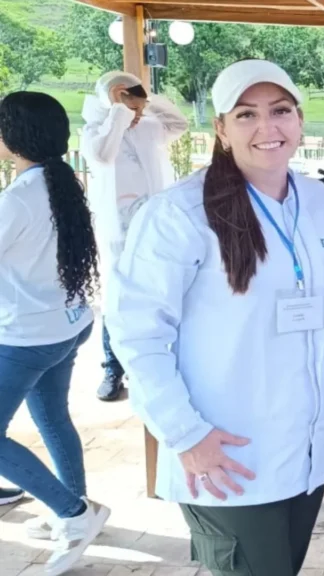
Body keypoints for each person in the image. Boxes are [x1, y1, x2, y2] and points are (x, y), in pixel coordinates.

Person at [104, 59, 324, 576]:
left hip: (304, 454)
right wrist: (185, 435)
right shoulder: (179, 214)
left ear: (300, 120)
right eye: (246, 115)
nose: (268, 128)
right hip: (226, 460)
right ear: (220, 127)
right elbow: (137, 334)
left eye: (281, 111)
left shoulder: (321, 203)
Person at [0, 91, 110, 575]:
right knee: (52, 418)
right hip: (68, 325)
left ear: (13, 137)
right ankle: (77, 505)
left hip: (27, 338)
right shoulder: (61, 181)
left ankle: (73, 514)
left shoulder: (18, 199)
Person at [80, 70, 188, 402]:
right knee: (118, 298)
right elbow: (102, 155)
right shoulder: (95, 131)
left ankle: (165, 362)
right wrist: (119, 111)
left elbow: (179, 124)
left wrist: (143, 100)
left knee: (165, 287)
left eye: (139, 111)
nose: (138, 116)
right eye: (133, 109)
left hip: (156, 225)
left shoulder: (150, 129)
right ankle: (113, 368)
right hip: (118, 232)